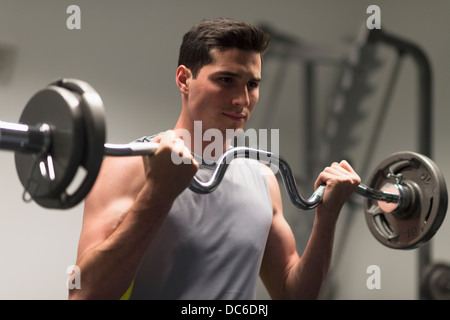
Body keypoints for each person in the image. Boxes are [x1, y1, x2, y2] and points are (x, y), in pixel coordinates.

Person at [68, 18, 361, 300]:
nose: (242, 100)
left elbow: (292, 293)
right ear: (184, 79)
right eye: (226, 80)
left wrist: (327, 217)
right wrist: (159, 193)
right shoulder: (128, 166)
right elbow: (85, 294)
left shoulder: (263, 180)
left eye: (252, 84)